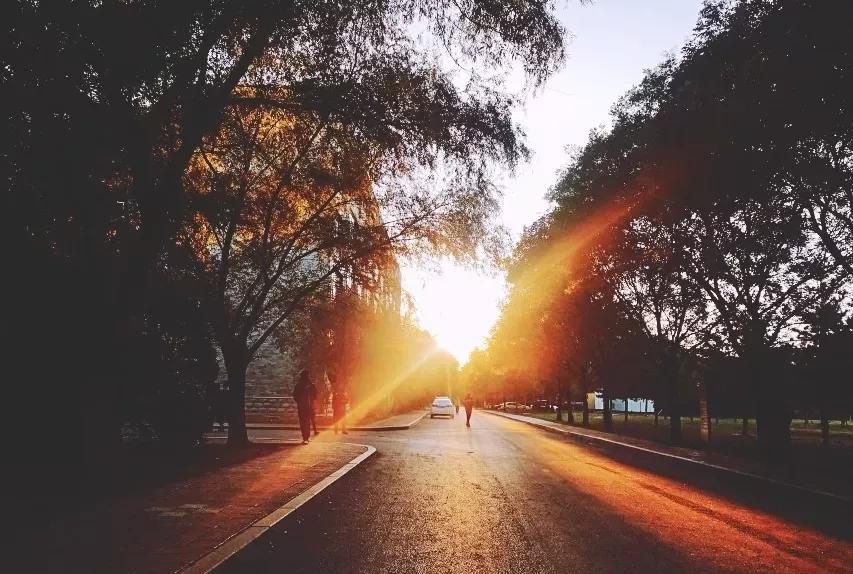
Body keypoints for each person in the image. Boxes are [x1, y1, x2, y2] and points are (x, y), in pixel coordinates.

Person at [293, 369, 315, 444]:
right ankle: (306, 437)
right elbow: (315, 394)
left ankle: (305, 437)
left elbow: (295, 396)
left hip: (302, 407)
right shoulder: (309, 384)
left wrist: (299, 402)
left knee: (303, 422)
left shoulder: (299, 385)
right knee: (307, 422)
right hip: (307, 406)